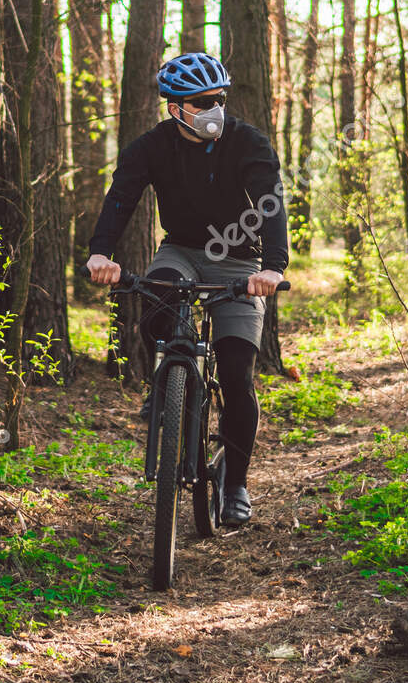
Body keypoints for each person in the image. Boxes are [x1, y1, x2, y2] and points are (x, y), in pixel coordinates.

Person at [85, 51, 287, 528]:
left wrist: (273, 268)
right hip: (180, 251)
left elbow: (270, 204)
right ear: (175, 108)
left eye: (218, 98)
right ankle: (168, 386)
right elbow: (121, 198)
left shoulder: (248, 143)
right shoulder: (152, 146)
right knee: (155, 305)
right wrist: (100, 253)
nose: (214, 108)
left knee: (237, 373)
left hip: (240, 261)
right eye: (201, 102)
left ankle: (235, 483)